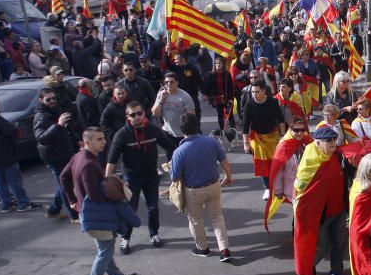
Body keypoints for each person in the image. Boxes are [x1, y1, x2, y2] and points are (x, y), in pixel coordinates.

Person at [60, 128, 141, 275]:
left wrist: (72, 200)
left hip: (87, 212)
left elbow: (64, 177)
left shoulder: (78, 156)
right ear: (87, 142)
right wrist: (113, 190)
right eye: (99, 139)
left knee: (105, 248)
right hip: (97, 216)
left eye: (103, 138)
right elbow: (96, 194)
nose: (104, 141)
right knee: (105, 251)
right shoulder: (89, 164)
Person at [106, 100, 179, 252]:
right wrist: (107, 184)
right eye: (133, 115)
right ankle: (125, 238)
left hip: (151, 175)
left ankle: (154, 234)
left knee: (153, 208)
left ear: (144, 113)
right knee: (130, 209)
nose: (137, 117)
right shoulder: (121, 135)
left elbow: (171, 147)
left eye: (140, 113)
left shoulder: (153, 130)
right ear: (128, 117)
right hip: (131, 178)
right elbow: (112, 161)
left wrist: (183, 159)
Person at [170, 113, 234, 262]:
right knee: (217, 217)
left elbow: (174, 177)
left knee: (196, 220)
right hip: (213, 185)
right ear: (198, 126)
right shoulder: (211, 142)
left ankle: (203, 248)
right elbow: (224, 161)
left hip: (193, 191)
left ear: (182, 130)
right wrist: (228, 176)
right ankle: (224, 250)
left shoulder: (179, 152)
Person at [292, 127, 350, 275]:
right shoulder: (310, 163)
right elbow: (301, 194)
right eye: (328, 141)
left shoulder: (338, 156)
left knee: (339, 245)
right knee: (321, 246)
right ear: (317, 143)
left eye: (334, 139)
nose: (333, 143)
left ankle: (336, 273)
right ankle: (308, 266)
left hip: (339, 210)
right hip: (320, 216)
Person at [0, 95, 43, 213]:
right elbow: (12, 131)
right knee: (14, 181)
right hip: (5, 154)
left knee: (0, 182)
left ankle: (6, 204)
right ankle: (23, 203)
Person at [34, 86, 83, 221]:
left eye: (54, 98)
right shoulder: (41, 116)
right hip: (54, 156)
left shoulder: (56, 110)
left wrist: (77, 142)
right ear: (41, 100)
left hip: (65, 152)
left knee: (66, 183)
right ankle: (74, 215)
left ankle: (54, 209)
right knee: (65, 184)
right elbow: (41, 138)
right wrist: (57, 125)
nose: (52, 101)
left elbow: (68, 129)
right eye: (48, 99)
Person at [242, 81, 286, 200]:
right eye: (252, 92)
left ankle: (279, 186)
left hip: (273, 136)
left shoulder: (272, 102)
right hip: (258, 139)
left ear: (264, 91)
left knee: (276, 162)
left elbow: (280, 119)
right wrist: (246, 144)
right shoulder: (249, 105)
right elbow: (245, 126)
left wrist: (283, 137)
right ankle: (267, 188)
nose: (254, 94)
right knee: (262, 164)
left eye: (257, 92)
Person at [152, 72, 193, 144]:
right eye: (166, 82)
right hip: (167, 132)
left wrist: (188, 133)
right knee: (170, 154)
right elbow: (155, 113)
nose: (168, 84)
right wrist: (161, 100)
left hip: (183, 134)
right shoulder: (161, 94)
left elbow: (191, 116)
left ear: (177, 83)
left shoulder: (185, 96)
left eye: (171, 82)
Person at [203, 57, 237, 133]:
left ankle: (233, 131)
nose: (218, 65)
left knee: (230, 114)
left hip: (226, 97)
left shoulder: (226, 74)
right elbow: (207, 86)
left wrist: (231, 98)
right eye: (216, 63)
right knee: (220, 114)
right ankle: (222, 130)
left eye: (219, 63)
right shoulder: (211, 74)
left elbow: (230, 87)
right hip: (216, 98)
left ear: (223, 64)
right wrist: (205, 94)